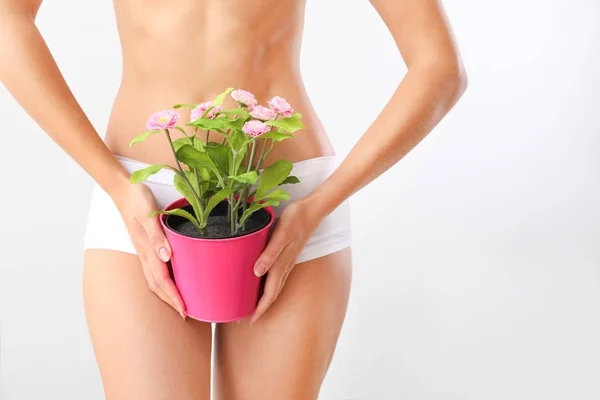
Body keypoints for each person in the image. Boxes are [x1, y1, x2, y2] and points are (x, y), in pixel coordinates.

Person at [0, 0, 467, 398]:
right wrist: (116, 185)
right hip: (142, 201)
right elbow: (8, 20)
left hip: (288, 209)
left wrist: (320, 203)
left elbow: (440, 66)